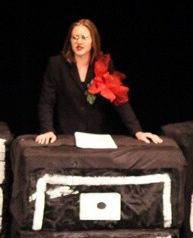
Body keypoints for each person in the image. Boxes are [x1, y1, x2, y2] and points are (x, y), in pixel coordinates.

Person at [35, 18, 163, 145]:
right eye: (75, 37)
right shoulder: (56, 65)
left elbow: (119, 99)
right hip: (67, 137)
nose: (79, 41)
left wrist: (137, 131)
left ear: (93, 41)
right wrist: (47, 130)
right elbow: (46, 102)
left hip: (97, 137)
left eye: (84, 37)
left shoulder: (104, 64)